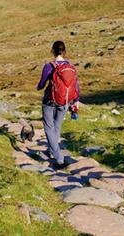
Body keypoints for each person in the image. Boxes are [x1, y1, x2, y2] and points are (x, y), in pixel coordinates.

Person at [36, 40, 80, 168]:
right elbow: (75, 85)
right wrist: (75, 101)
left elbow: (42, 83)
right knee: (57, 126)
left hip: (49, 100)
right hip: (65, 101)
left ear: (52, 51)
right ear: (64, 51)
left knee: (49, 128)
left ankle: (59, 157)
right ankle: (51, 150)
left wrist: (39, 87)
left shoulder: (49, 66)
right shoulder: (70, 66)